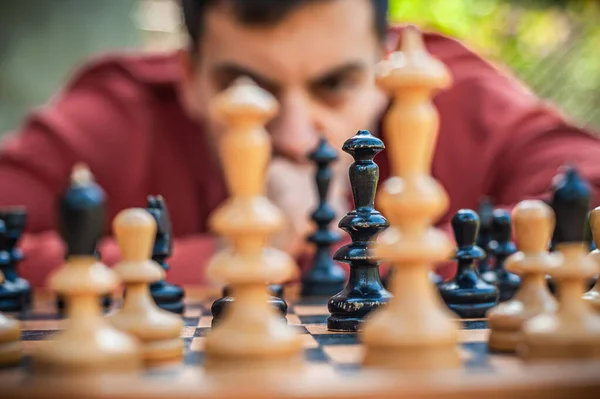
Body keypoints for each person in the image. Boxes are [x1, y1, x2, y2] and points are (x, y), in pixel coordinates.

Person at [1, 0, 599, 288]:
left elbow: (588, 202)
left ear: (385, 61)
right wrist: (219, 260)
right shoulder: (120, 110)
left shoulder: (450, 91)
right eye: (246, 87)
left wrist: (370, 248)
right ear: (186, 76)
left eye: (335, 84)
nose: (294, 135)